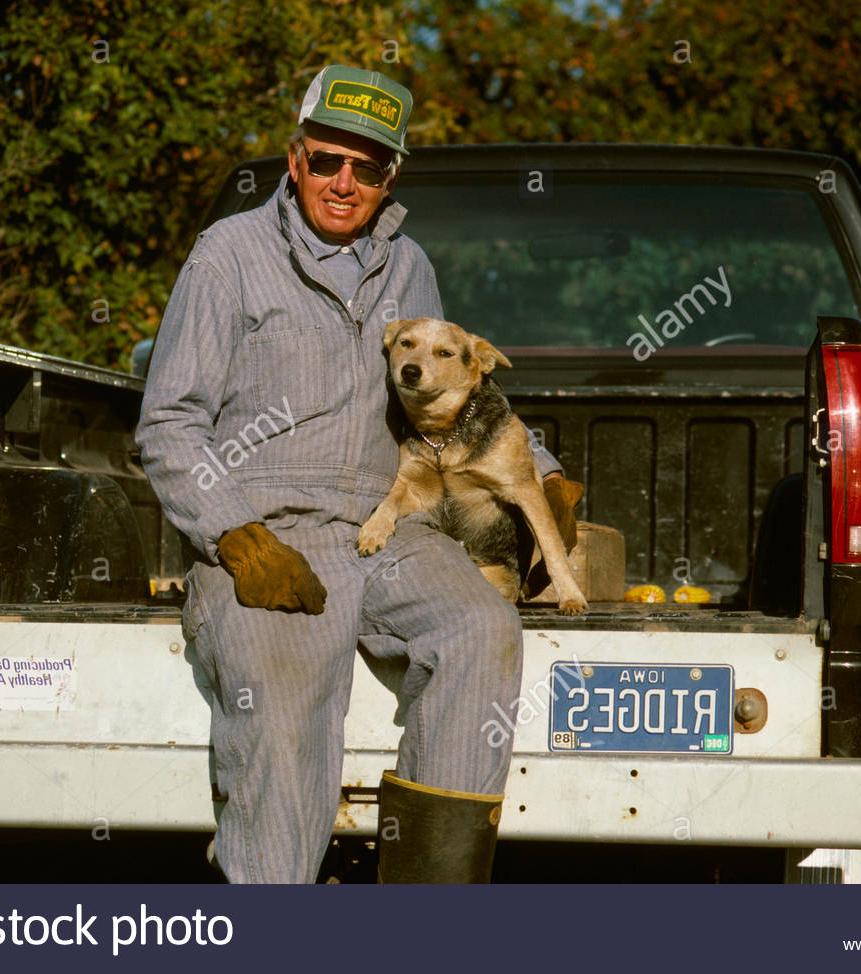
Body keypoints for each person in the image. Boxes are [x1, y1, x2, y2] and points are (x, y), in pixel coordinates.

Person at [136, 65, 580, 883]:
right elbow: (168, 422)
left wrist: (543, 475)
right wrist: (233, 535)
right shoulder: (228, 255)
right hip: (272, 532)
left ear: (390, 177)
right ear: (295, 159)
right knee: (281, 723)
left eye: (367, 168)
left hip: (391, 526)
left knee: (483, 632)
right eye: (328, 160)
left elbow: (453, 395)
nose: (345, 183)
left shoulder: (409, 267)